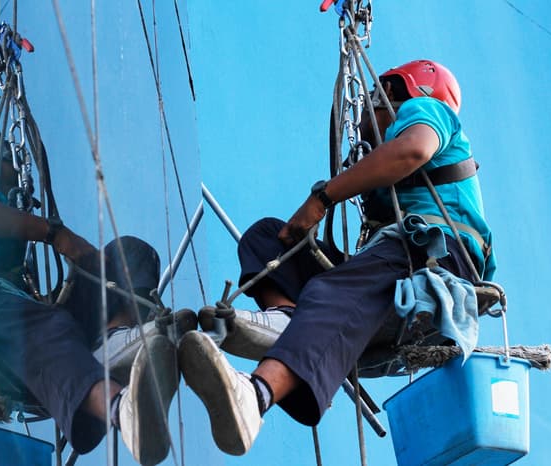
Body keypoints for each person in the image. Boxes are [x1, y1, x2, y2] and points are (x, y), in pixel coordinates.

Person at [178, 59, 496, 455]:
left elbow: (413, 149)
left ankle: (255, 395)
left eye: (369, 106)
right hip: (396, 257)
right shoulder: (383, 185)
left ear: (393, 93)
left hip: (432, 253)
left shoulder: (425, 110)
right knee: (268, 238)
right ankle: (289, 318)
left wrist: (324, 196)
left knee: (335, 291)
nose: (360, 118)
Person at [0, 123, 193, 465]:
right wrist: (53, 233)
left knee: (123, 256)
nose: (15, 165)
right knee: (43, 327)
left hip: (16, 319)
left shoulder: (4, 215)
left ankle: (115, 340)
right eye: (1, 153)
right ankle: (123, 408)